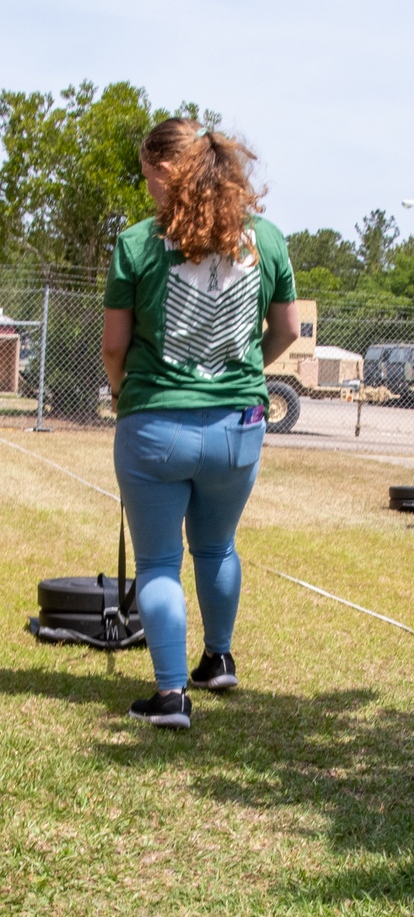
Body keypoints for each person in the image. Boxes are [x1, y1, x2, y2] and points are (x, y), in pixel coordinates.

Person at [102, 118, 299, 730]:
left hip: (156, 423)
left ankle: (169, 697)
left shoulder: (138, 243)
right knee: (216, 546)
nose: (148, 190)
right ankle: (217, 660)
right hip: (240, 424)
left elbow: (113, 346)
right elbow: (288, 330)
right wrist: (242, 373)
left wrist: (120, 393)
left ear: (170, 171)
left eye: (149, 177)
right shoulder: (265, 238)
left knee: (159, 563)